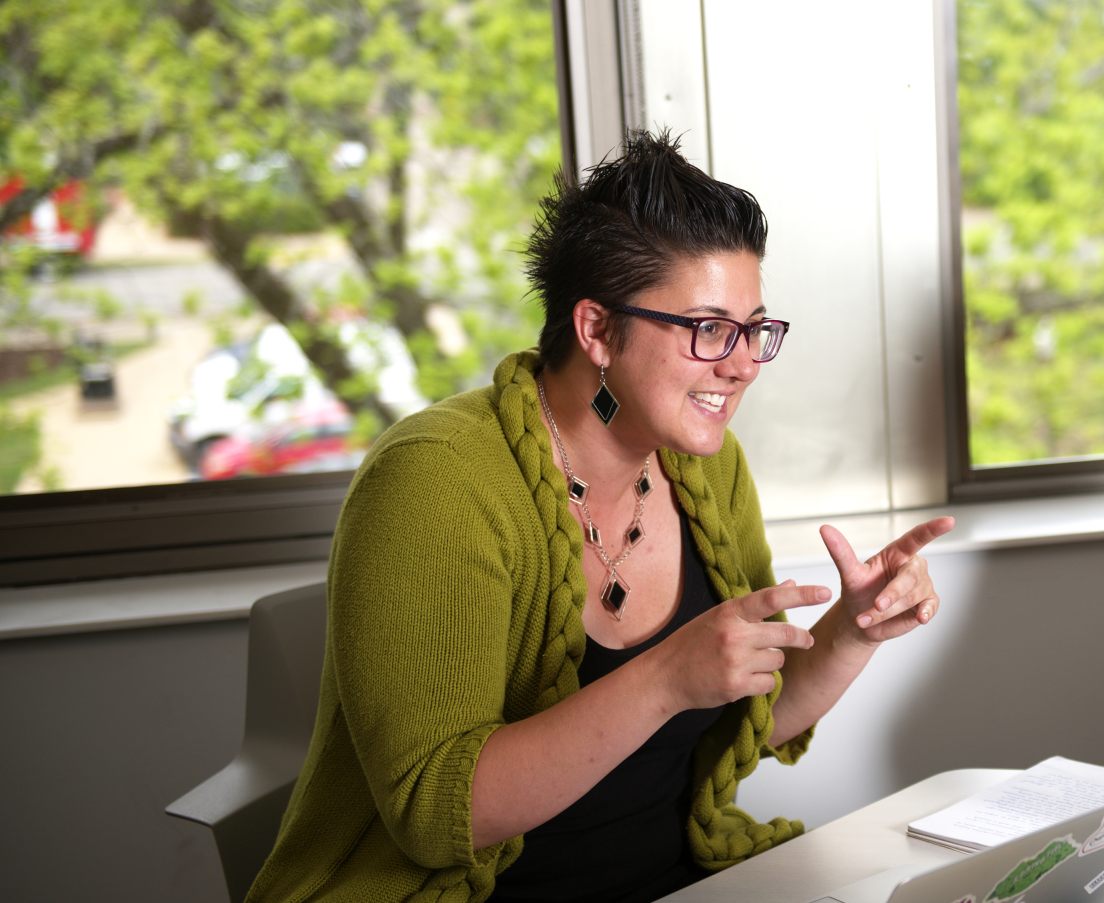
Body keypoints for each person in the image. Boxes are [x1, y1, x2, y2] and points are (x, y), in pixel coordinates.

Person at [247, 131, 955, 902]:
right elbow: (433, 811)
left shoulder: (710, 467)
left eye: (754, 329)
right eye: (709, 328)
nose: (744, 362)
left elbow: (733, 726)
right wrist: (666, 678)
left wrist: (853, 632)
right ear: (596, 330)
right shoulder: (436, 481)